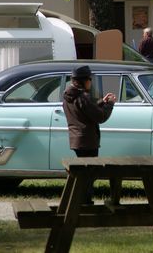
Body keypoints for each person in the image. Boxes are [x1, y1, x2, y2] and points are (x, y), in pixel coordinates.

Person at [62, 65, 117, 204]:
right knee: (90, 174)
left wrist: (101, 101)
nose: (91, 82)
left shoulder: (69, 95)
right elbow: (100, 117)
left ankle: (82, 201)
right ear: (83, 81)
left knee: (84, 174)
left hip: (76, 140)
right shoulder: (83, 97)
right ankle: (84, 202)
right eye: (89, 79)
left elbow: (85, 110)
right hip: (88, 141)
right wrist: (109, 104)